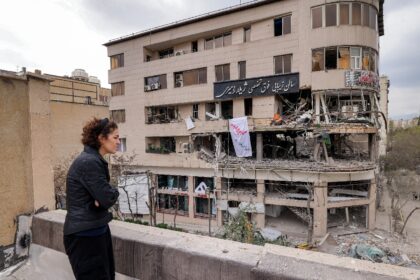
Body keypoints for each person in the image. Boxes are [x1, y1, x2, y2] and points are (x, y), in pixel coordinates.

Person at [63, 117, 120, 280]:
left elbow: (103, 199)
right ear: (101, 138)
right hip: (85, 238)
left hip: (95, 231)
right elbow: (108, 198)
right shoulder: (89, 162)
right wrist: (109, 194)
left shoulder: (94, 160)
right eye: (115, 137)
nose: (118, 142)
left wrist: (101, 200)